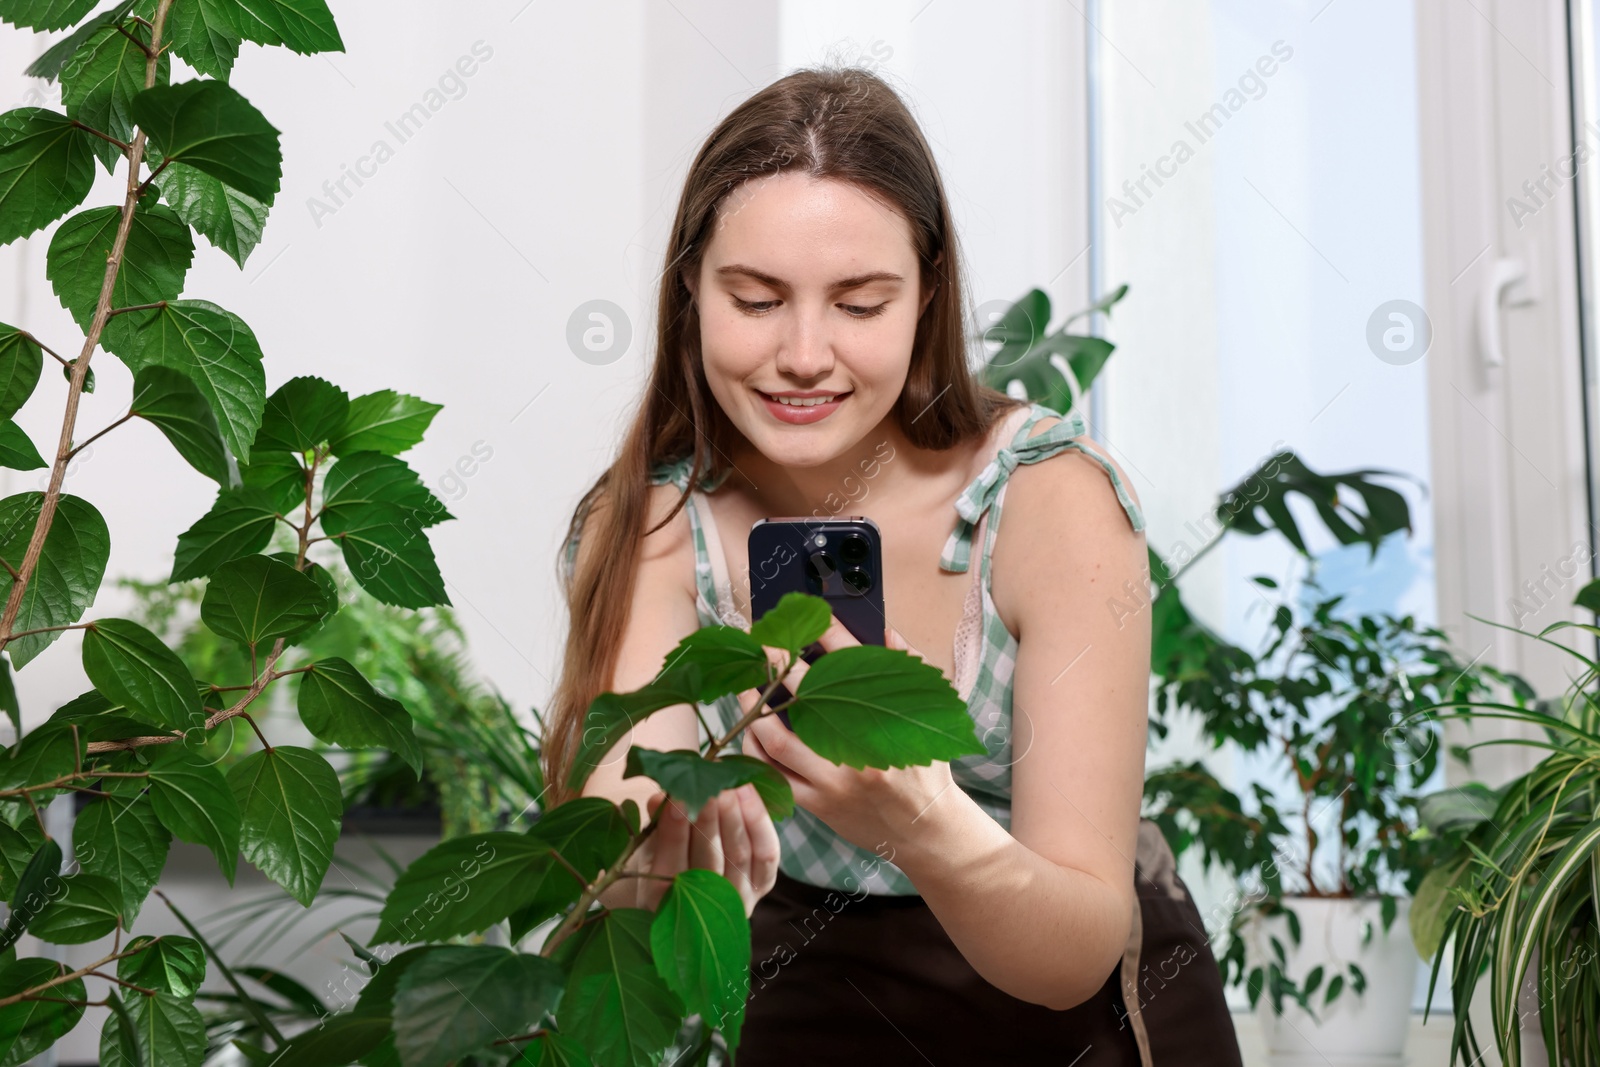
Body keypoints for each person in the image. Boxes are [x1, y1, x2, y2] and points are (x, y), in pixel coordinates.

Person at [550, 66, 1243, 1066]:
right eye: (755, 299)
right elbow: (606, 854)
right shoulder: (657, 520)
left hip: (1065, 1010)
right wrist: (657, 841)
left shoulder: (1048, 503)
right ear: (689, 293)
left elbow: (1073, 956)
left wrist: (920, 821)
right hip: (805, 990)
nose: (802, 353)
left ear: (925, 297)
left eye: (859, 304)